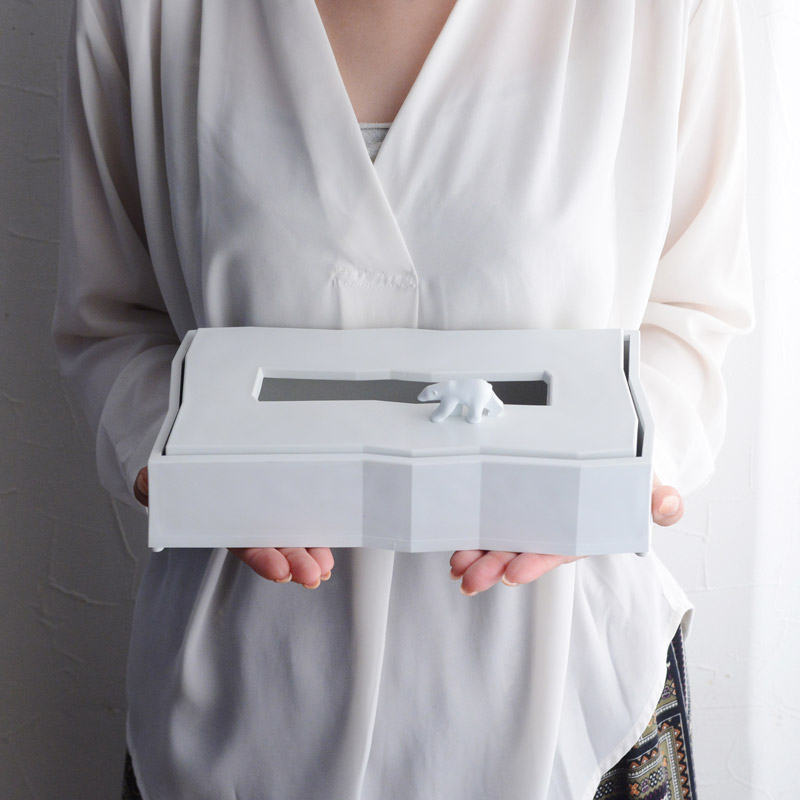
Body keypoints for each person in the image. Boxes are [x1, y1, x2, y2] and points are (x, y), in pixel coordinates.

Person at [54, 0, 753, 798]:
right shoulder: (143, 13)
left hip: (575, 695)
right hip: (239, 704)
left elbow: (694, 311)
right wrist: (183, 467)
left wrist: (616, 472)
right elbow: (111, 320)